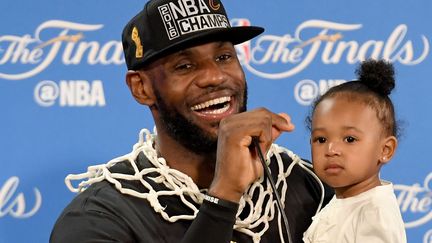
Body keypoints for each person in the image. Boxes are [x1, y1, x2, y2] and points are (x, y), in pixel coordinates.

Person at [50, 0, 333, 242]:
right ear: (141, 88)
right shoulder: (99, 218)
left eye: (224, 57)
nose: (215, 76)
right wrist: (224, 194)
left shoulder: (312, 186)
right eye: (184, 66)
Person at [302, 59, 407, 243]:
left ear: (386, 149)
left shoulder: (375, 214)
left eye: (350, 139)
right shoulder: (342, 201)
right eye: (321, 139)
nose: (331, 150)